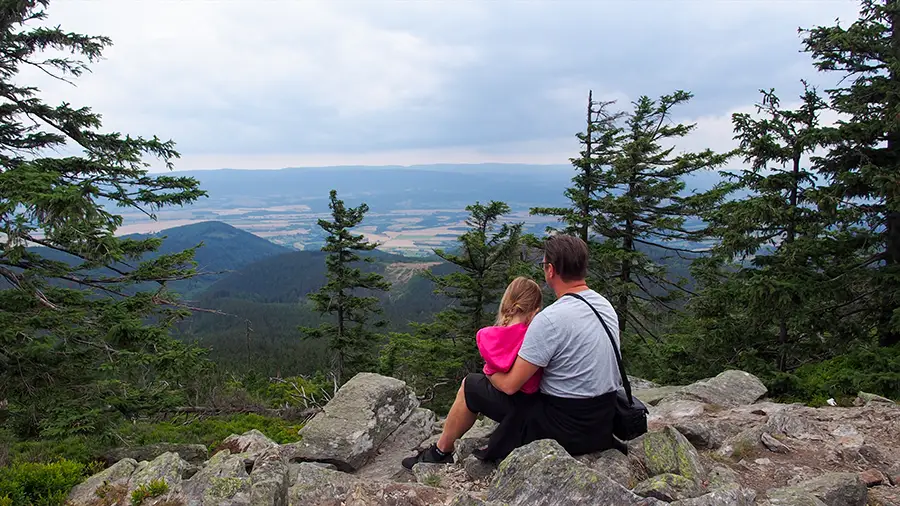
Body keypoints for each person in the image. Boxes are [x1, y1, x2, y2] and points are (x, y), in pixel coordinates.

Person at [402, 234, 622, 469]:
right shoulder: (604, 306)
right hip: (602, 422)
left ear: (550, 270)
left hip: (566, 429)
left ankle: (440, 451)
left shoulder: (550, 319)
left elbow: (509, 385)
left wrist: (488, 371)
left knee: (471, 386)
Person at [476, 276, 544, 395]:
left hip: (497, 395)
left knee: (469, 384)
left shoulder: (486, 336)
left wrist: (488, 370)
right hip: (529, 400)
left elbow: (491, 369)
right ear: (535, 311)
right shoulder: (533, 337)